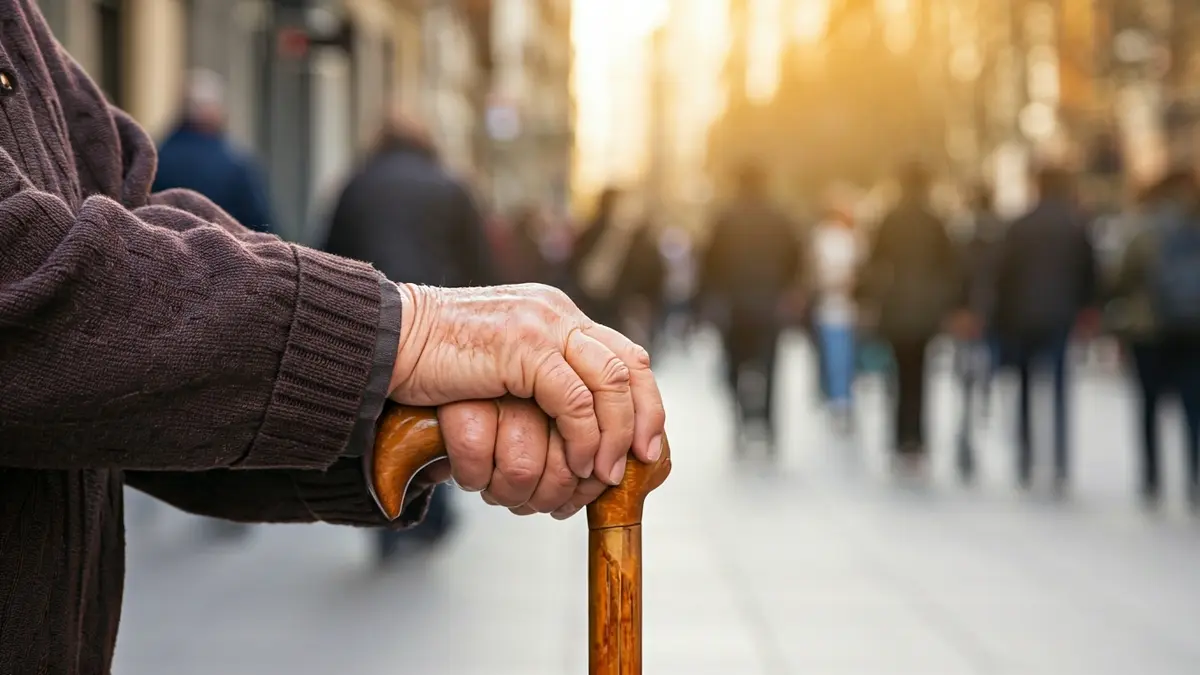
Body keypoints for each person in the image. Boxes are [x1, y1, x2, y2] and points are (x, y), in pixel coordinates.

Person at [0, 4, 667, 674]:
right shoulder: (448, 185)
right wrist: (402, 334)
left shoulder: (355, 181)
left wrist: (389, 392)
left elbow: (132, 216)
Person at [322, 111, 499, 561]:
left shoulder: (356, 185)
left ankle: (384, 517)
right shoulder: (449, 185)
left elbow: (325, 251)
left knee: (378, 419)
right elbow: (479, 262)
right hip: (440, 323)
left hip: (372, 319)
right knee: (436, 415)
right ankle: (432, 514)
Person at [994, 166, 1098, 493]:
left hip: (1021, 316)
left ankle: (1026, 458)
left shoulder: (1020, 226)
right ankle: (1060, 463)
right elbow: (1090, 274)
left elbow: (1002, 275)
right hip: (1060, 316)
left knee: (1024, 387)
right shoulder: (1075, 225)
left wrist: (999, 317)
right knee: (1058, 387)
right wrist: (1087, 311)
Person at [860, 161, 963, 470]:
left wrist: (869, 301)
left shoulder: (889, 219)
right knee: (921, 377)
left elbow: (874, 262)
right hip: (925, 311)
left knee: (897, 377)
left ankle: (898, 439)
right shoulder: (935, 221)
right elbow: (951, 267)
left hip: (895, 309)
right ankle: (917, 440)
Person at [1109, 169, 1200, 509]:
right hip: (1193, 329)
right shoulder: (1195, 225)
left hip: (1149, 330)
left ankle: (1152, 478)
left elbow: (1120, 277)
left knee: (1149, 406)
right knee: (1193, 407)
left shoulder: (1143, 229)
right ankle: (1194, 476)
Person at [699, 163, 802, 452]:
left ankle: (740, 422)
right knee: (769, 366)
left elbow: (709, 260)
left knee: (733, 365)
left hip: (733, 307)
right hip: (770, 305)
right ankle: (767, 425)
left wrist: (712, 297)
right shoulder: (780, 217)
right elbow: (796, 256)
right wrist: (787, 289)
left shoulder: (725, 217)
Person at [153, 68, 273, 234]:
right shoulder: (236, 163)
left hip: (163, 253)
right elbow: (260, 224)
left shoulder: (157, 156)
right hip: (225, 254)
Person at [953, 183, 1006, 480]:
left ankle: (968, 431)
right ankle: (976, 421)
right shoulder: (1003, 235)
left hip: (969, 316)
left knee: (967, 379)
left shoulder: (965, 235)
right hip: (991, 317)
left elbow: (956, 275)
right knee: (983, 373)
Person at [810, 196, 863, 432]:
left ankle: (839, 397)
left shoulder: (843, 238)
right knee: (838, 355)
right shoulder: (839, 238)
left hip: (841, 307)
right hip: (833, 307)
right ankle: (839, 398)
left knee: (840, 355)